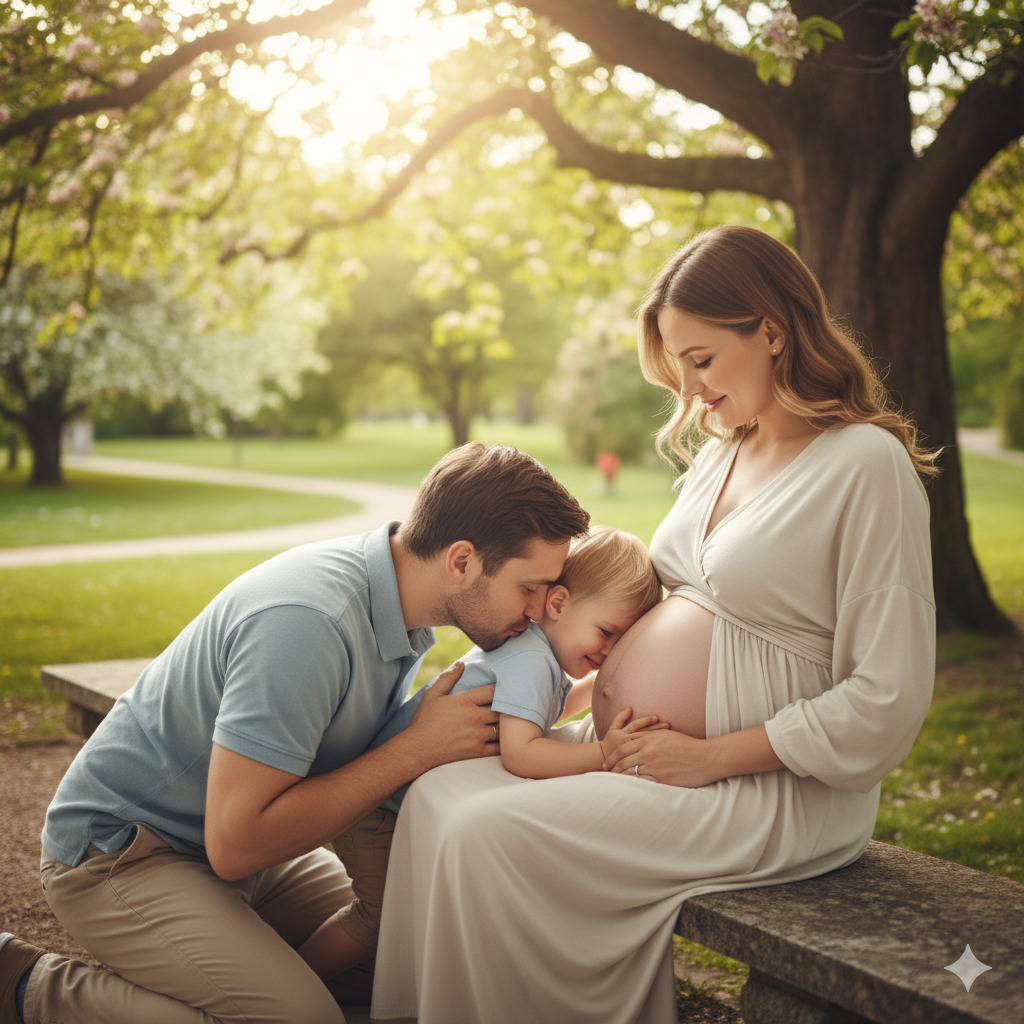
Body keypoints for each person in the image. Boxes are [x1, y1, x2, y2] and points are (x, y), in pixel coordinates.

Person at [369, 225, 939, 1024]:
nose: (690, 389)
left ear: (771, 330)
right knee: (440, 795)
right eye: (679, 369)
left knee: (484, 836)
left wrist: (708, 758)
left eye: (702, 360)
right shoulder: (720, 456)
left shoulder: (864, 466)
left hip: (770, 791)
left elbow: (888, 697)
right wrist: (558, 703)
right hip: (657, 758)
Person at [0, 442, 590, 1024]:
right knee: (302, 1018)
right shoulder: (310, 623)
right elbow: (235, 843)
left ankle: (232, 970)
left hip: (240, 856)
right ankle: (30, 986)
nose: (540, 610)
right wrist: (413, 750)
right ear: (461, 561)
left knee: (418, 945)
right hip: (125, 854)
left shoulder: (397, 606)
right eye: (529, 587)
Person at [297, 526, 665, 982]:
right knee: (381, 913)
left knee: (406, 908)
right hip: (377, 806)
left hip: (399, 801)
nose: (607, 650)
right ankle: (300, 979)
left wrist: (602, 683)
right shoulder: (531, 660)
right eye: (606, 633)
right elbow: (523, 753)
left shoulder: (535, 651)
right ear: (558, 603)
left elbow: (540, 713)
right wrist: (603, 754)